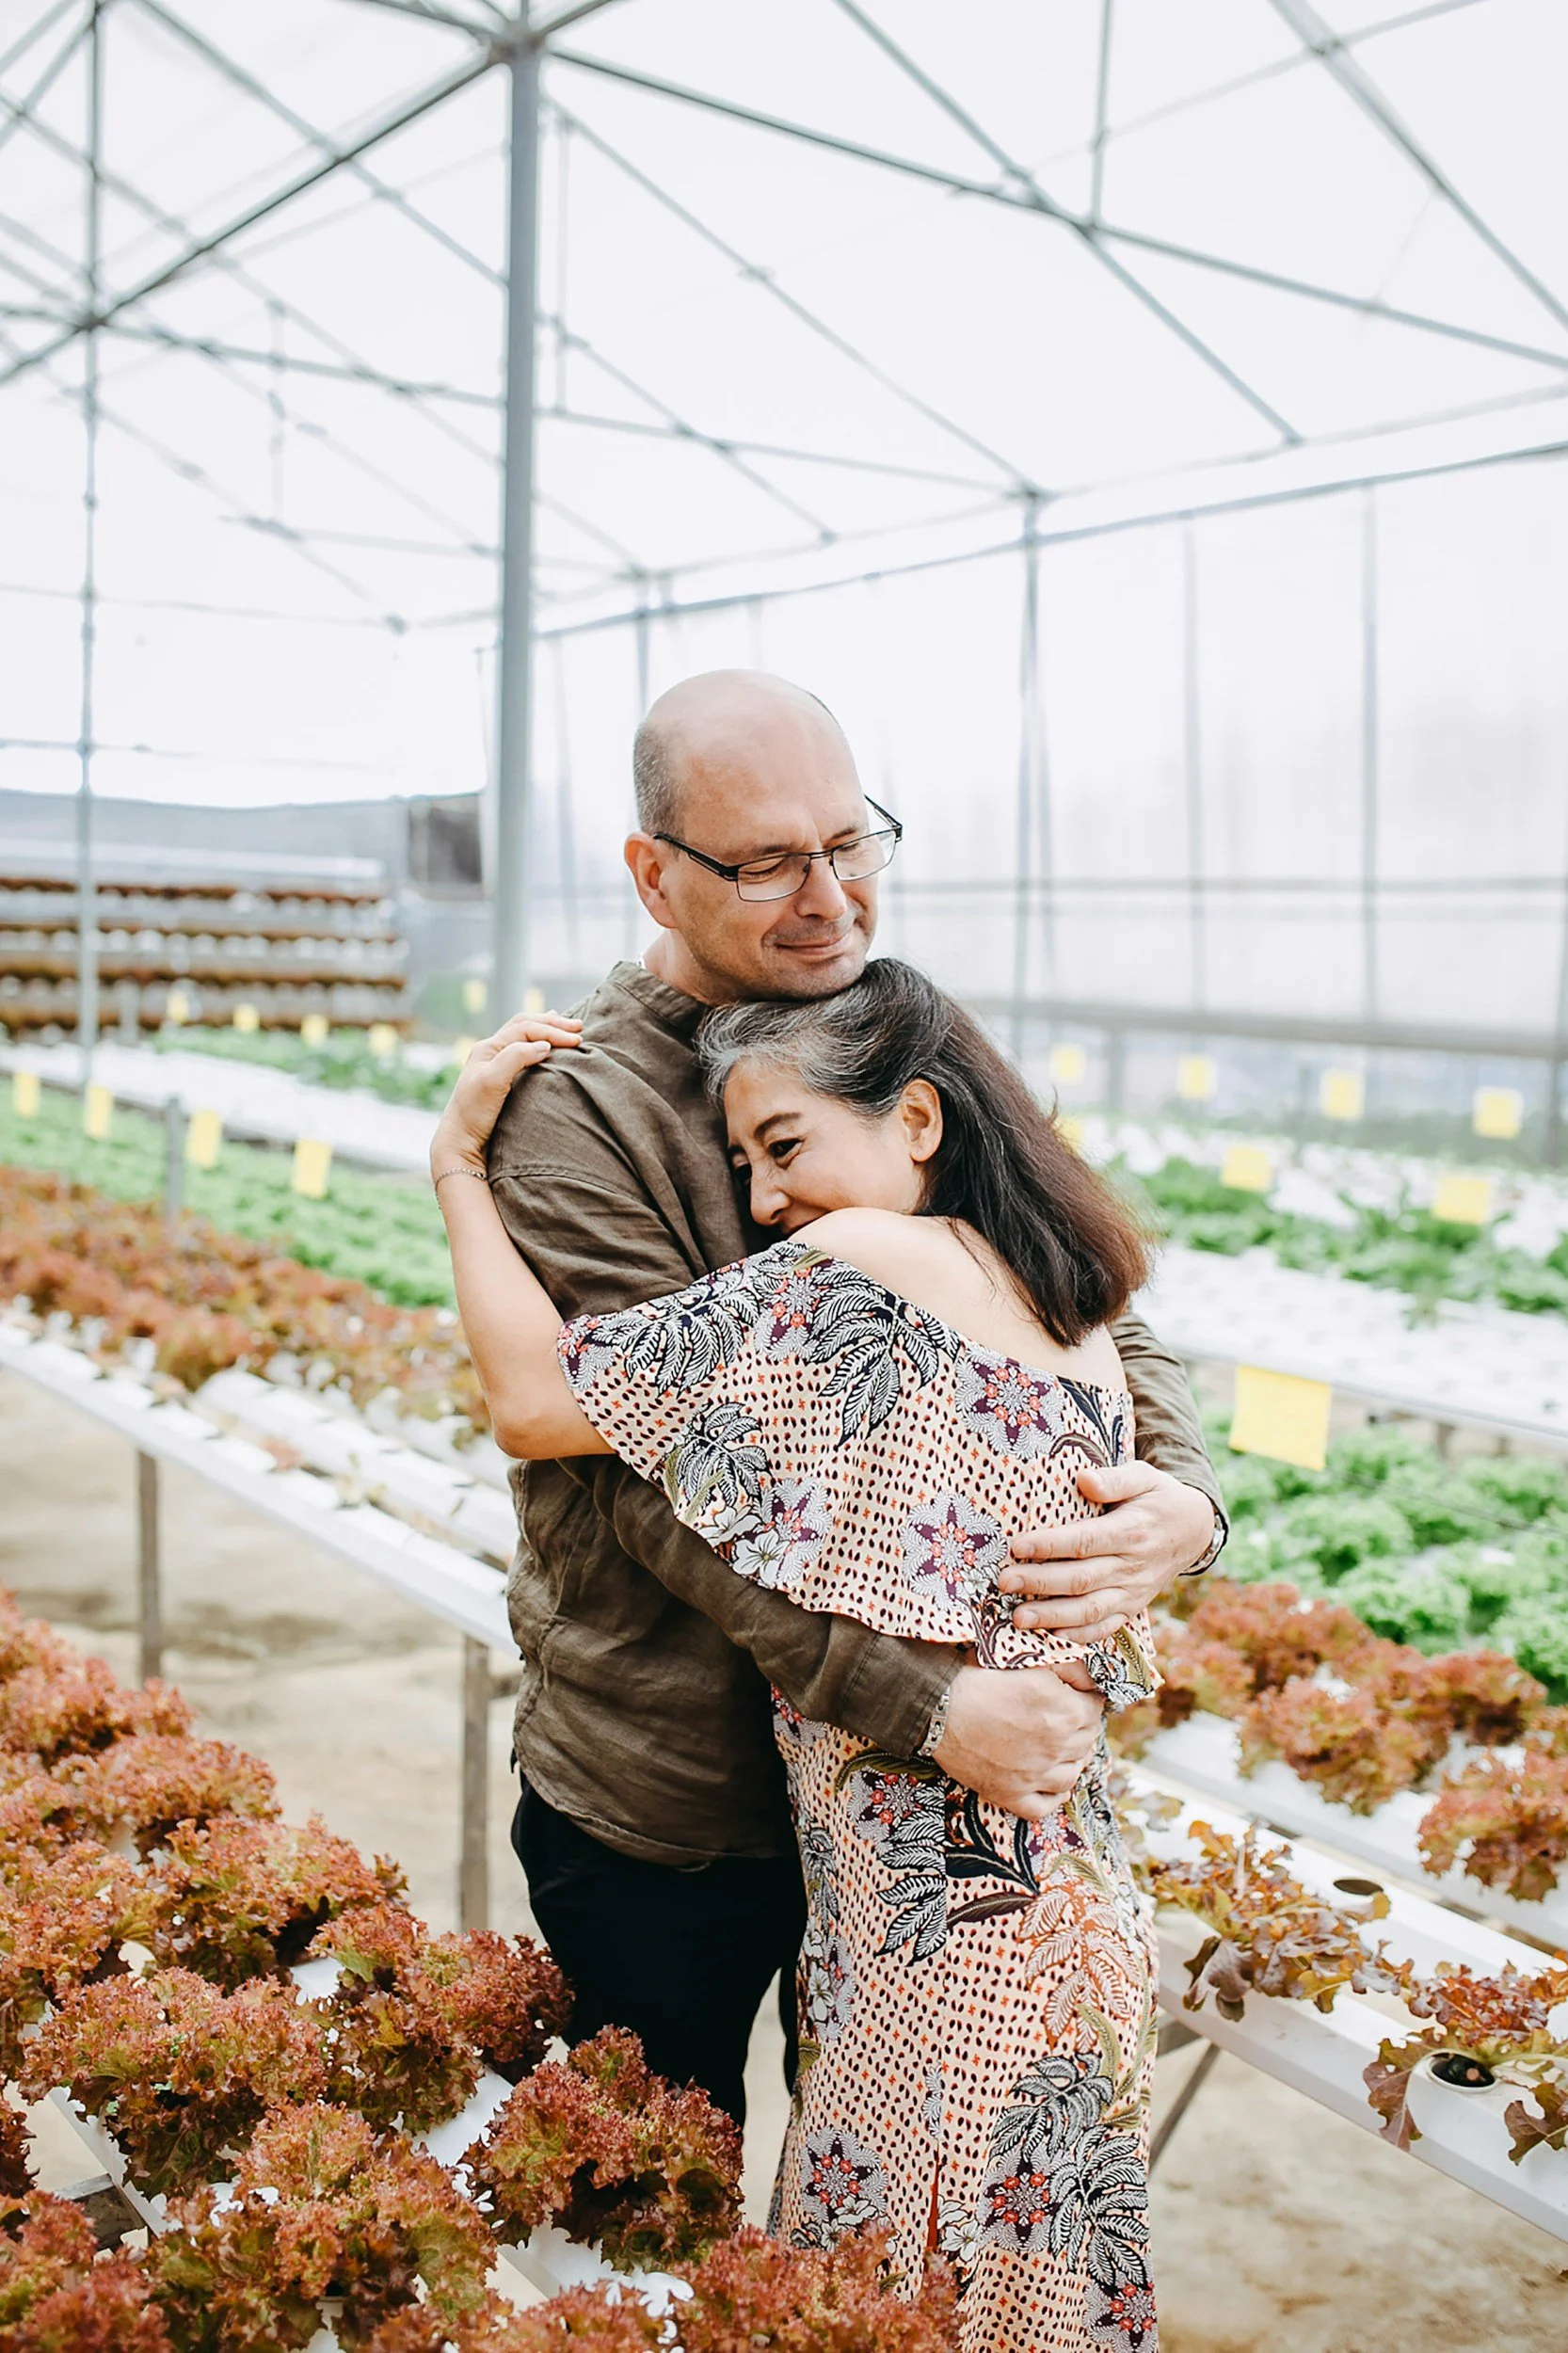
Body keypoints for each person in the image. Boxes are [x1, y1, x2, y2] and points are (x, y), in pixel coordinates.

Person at [480, 670, 1224, 2126]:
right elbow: (655, 1485)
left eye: (849, 842)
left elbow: (1074, 1277)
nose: (827, 898)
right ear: (652, 873)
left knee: (885, 2236)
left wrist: (1184, 1503)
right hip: (681, 1793)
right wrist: (925, 1701)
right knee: (662, 2214)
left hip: (917, 1812)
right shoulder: (580, 1107)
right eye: (765, 862)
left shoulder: (891, 1030)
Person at [431, 957, 1164, 2350]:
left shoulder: (868, 1268)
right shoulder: (1055, 1296)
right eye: (746, 1163)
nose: (765, 1202)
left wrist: (459, 1168)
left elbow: (533, 1402)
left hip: (942, 1940)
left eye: (785, 1147)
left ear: (919, 1124)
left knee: (873, 2314)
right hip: (1048, 1911)